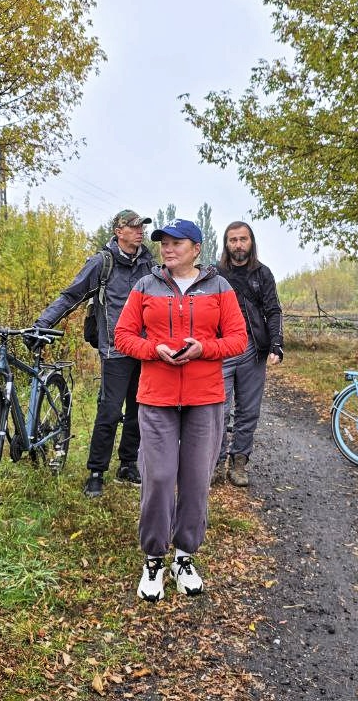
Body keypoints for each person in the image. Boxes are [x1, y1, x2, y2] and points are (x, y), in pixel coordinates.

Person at [114, 218, 247, 602]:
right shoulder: (146, 285)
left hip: (205, 399)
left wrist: (204, 349)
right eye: (164, 243)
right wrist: (151, 350)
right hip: (157, 397)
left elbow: (238, 339)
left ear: (196, 249)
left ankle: (184, 557)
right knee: (157, 478)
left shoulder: (219, 287)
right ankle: (154, 558)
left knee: (195, 480)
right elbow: (123, 335)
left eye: (177, 243)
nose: (168, 249)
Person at [32, 209, 155, 498]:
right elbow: (70, 296)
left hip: (145, 348)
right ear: (118, 231)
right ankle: (96, 472)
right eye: (134, 227)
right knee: (109, 410)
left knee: (139, 408)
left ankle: (128, 464)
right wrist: (41, 325)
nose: (140, 231)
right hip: (114, 349)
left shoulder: (149, 264)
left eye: (142, 227)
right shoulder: (102, 263)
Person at [212, 221, 284, 487]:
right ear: (226, 244)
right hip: (221, 348)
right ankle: (215, 462)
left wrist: (276, 343)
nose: (238, 245)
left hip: (253, 348)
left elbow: (273, 310)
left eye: (243, 239)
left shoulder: (262, 274)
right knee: (217, 409)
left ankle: (239, 462)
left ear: (251, 242)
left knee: (249, 410)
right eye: (233, 240)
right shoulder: (214, 274)